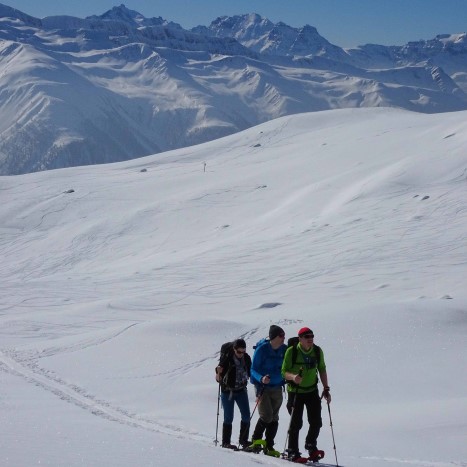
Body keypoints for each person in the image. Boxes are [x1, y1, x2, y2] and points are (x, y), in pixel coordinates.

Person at [281, 327, 331, 462]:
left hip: (312, 390)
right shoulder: (292, 352)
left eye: (312, 336)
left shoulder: (317, 351)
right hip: (295, 391)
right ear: (300, 338)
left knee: (316, 422)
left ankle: (311, 445)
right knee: (296, 423)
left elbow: (322, 369)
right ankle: (292, 451)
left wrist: (326, 388)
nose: (310, 339)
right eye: (307, 336)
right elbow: (284, 371)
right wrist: (293, 377)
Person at [249, 325, 287, 457]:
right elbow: (253, 369)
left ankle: (269, 445)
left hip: (277, 386)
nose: (283, 338)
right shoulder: (262, 349)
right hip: (263, 387)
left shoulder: (284, 349)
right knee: (266, 415)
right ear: (274, 337)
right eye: (281, 336)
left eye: (284, 335)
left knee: (274, 417)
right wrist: (261, 378)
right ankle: (256, 440)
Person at [215, 338, 252, 449]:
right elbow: (218, 378)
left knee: (246, 416)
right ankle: (226, 442)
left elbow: (251, 372)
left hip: (241, 390)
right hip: (228, 391)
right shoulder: (227, 359)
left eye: (243, 351)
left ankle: (243, 441)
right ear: (234, 349)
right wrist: (218, 373)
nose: (241, 354)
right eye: (239, 351)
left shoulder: (247, 358)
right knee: (228, 418)